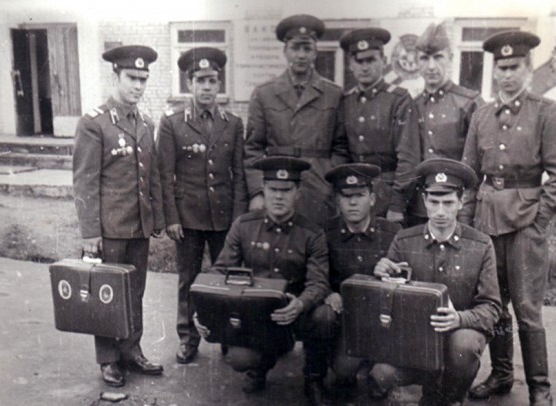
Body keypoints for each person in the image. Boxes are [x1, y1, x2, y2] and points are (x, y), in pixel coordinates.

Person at [462, 31, 556, 406]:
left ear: (528, 68)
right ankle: (502, 374)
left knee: (527, 309)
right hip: (486, 221)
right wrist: (468, 224)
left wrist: (539, 222)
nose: (507, 74)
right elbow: (469, 175)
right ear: (494, 71)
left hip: (526, 224)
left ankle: (540, 388)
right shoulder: (481, 115)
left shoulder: (546, 111)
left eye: (514, 67)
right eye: (502, 68)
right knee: (494, 303)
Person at [198, 156, 335, 406]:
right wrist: (205, 309)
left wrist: (301, 304)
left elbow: (318, 283)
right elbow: (219, 271)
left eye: (286, 190)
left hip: (294, 311)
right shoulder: (244, 225)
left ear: (298, 192)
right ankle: (258, 369)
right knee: (239, 359)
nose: (278, 197)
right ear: (264, 189)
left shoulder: (312, 233)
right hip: (255, 313)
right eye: (273, 189)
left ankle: (314, 377)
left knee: (324, 316)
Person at [371, 158, 501, 406]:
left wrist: (459, 319)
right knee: (381, 373)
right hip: (415, 341)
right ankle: (428, 387)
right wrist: (381, 276)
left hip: (457, 338)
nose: (441, 212)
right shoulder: (404, 240)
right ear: (424, 201)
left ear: (461, 202)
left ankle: (450, 398)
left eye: (448, 203)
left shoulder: (481, 245)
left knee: (464, 346)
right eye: (434, 202)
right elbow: (386, 299)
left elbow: (492, 308)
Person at [72, 45, 164, 387]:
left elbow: (152, 176)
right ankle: (109, 359)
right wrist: (89, 233)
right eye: (131, 78)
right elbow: (85, 181)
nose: (138, 85)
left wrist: (156, 218)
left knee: (135, 292)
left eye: (143, 79)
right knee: (107, 295)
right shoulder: (94, 123)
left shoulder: (146, 122)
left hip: (138, 226)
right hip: (109, 229)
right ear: (116, 76)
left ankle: (131, 350)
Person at [157, 47, 247, 364]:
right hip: (188, 217)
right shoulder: (172, 124)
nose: (207, 87)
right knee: (188, 279)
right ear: (189, 84)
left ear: (219, 83)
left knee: (227, 278)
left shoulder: (233, 123)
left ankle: (226, 336)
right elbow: (165, 175)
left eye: (212, 81)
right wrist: (171, 218)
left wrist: (239, 219)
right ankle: (188, 338)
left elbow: (239, 175)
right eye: (200, 81)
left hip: (224, 217)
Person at [244, 14, 348, 228]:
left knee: (317, 240)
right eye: (295, 48)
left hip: (318, 185)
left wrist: (328, 181)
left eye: (307, 49)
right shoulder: (264, 93)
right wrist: (258, 191)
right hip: (277, 185)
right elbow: (253, 148)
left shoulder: (333, 93)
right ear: (285, 51)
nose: (301, 55)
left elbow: (341, 146)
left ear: (315, 52)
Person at [322, 163, 401, 399]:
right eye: (346, 197)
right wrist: (327, 292)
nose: (353, 203)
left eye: (359, 195)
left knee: (381, 377)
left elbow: (407, 277)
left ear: (372, 199)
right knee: (343, 370)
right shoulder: (326, 233)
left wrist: (390, 273)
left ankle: (376, 368)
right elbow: (316, 273)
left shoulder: (392, 233)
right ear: (337, 201)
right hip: (347, 319)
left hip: (382, 319)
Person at [338, 28, 421, 222]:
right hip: (354, 194)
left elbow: (408, 158)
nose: (365, 67)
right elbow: (341, 150)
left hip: (387, 195)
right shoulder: (347, 101)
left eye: (371, 60)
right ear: (350, 64)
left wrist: (397, 204)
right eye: (359, 61)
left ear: (383, 61)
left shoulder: (398, 99)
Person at [408, 22, 485, 226]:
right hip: (420, 206)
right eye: (424, 58)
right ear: (417, 61)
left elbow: (478, 165)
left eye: (438, 57)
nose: (431, 66)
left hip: (457, 206)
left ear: (450, 58)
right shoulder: (412, 106)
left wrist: (466, 211)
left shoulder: (469, 103)